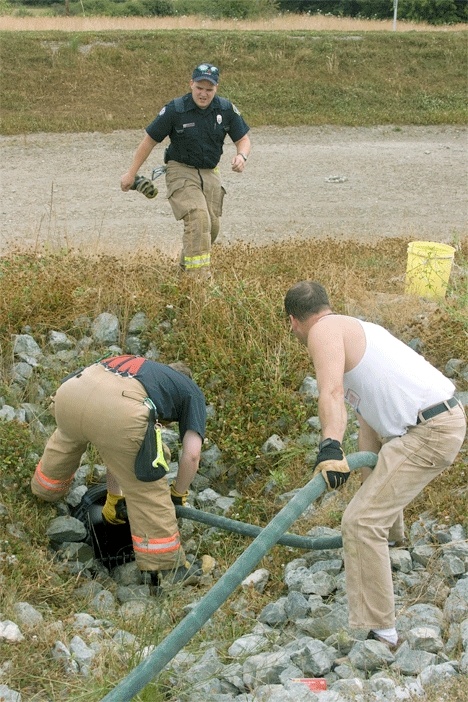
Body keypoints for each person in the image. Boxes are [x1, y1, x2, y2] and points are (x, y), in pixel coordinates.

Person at [284, 280, 466, 648]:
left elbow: (330, 392)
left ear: (294, 322)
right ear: (327, 303)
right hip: (437, 421)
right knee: (374, 500)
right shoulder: (359, 330)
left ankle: (381, 632)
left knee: (360, 521)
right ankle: (394, 540)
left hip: (428, 431)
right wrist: (359, 471)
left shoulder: (323, 331)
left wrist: (329, 447)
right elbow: (369, 421)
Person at [31, 355, 207, 587]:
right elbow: (192, 454)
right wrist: (178, 493)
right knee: (147, 492)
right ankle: (168, 567)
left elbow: (116, 449)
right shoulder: (190, 391)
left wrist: (115, 496)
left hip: (70, 394)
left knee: (64, 443)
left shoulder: (135, 366)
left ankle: (43, 493)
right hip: (117, 411)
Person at [121, 62, 251, 278]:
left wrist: (242, 156)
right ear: (191, 84)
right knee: (198, 218)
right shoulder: (175, 110)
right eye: (199, 87)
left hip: (210, 173)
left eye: (209, 89)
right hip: (180, 170)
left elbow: (243, 139)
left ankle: (182, 272)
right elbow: (149, 141)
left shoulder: (226, 109)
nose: (203, 93)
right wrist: (131, 174)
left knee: (212, 227)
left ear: (216, 89)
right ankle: (197, 280)